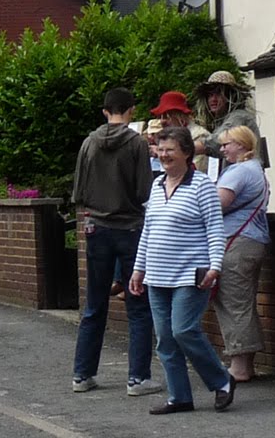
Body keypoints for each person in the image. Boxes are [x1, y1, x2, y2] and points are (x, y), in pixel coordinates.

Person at [129, 126, 235, 414]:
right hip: (157, 275)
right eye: (160, 150)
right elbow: (148, 232)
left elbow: (215, 229)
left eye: (169, 150)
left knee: (184, 329)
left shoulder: (201, 186)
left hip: (191, 273)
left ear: (186, 153)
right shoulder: (157, 184)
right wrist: (138, 270)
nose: (163, 155)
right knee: (165, 338)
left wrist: (215, 266)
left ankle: (222, 380)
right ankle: (179, 397)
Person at [71, 88, 159, 396]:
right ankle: (138, 378)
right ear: (132, 110)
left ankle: (82, 374)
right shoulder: (136, 143)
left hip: (96, 228)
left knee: (94, 304)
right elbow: (144, 191)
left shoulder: (88, 143)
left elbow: (79, 192)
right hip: (131, 228)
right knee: (138, 304)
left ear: (104, 110)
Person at [210, 125, 269, 383]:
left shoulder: (239, 171)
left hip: (236, 243)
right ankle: (245, 364)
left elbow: (216, 204)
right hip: (250, 241)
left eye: (227, 144)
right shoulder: (255, 170)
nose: (222, 149)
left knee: (233, 303)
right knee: (242, 303)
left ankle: (239, 367)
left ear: (243, 145)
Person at [193, 70, 260, 163]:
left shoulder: (239, 117)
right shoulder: (221, 121)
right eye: (210, 95)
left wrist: (184, 149)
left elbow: (217, 142)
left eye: (219, 94)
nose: (213, 99)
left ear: (230, 96)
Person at [151, 91, 211, 171]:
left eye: (167, 116)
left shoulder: (199, 135)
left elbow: (198, 170)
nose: (162, 121)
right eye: (160, 117)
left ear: (179, 115)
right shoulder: (167, 137)